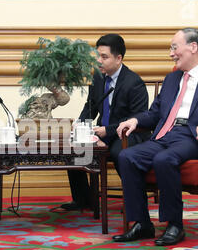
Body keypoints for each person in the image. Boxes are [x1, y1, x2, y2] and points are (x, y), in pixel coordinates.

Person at [114, 28, 198, 246]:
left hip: (195, 138)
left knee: (164, 159)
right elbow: (155, 113)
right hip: (166, 134)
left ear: (193, 47)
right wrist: (136, 121)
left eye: (174, 47)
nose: (171, 53)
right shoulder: (172, 78)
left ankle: (175, 225)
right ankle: (142, 224)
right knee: (127, 156)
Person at [60, 33, 150, 211]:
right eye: (97, 56)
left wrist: (107, 131)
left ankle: (134, 200)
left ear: (118, 58)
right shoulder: (98, 78)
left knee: (119, 152)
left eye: (104, 57)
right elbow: (91, 107)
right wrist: (80, 124)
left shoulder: (134, 83)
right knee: (73, 149)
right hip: (103, 130)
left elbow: (137, 118)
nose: (99, 61)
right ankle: (83, 200)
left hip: (128, 133)